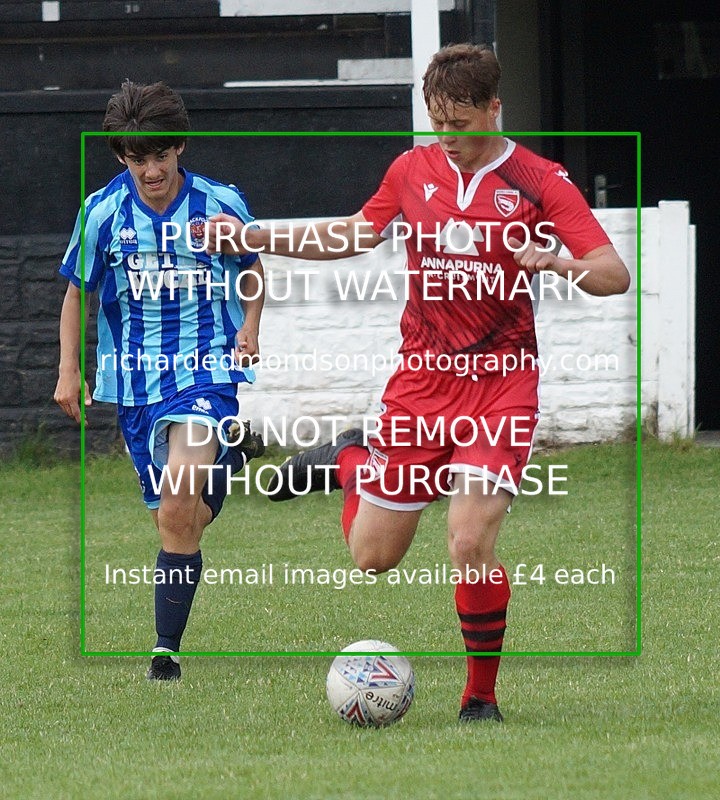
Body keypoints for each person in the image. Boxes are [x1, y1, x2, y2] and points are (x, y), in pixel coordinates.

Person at [208, 43, 631, 721]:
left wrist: (556, 262)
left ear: (494, 109)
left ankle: (480, 699)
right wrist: (253, 236)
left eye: (459, 125)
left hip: (501, 385)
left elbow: (613, 274)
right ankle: (350, 459)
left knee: (469, 540)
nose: (447, 138)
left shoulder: (540, 179)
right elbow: (352, 233)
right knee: (372, 557)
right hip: (422, 384)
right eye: (437, 124)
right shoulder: (412, 170)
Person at [54, 80, 265, 680]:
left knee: (177, 497)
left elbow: (253, 271)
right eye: (136, 159)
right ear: (122, 157)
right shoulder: (102, 212)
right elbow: (77, 293)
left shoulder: (218, 203)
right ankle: (228, 459)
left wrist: (250, 327)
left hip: (206, 370)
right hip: (135, 385)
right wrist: (69, 368)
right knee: (178, 520)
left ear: (180, 147)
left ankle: (164, 653)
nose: (151, 171)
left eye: (160, 156)